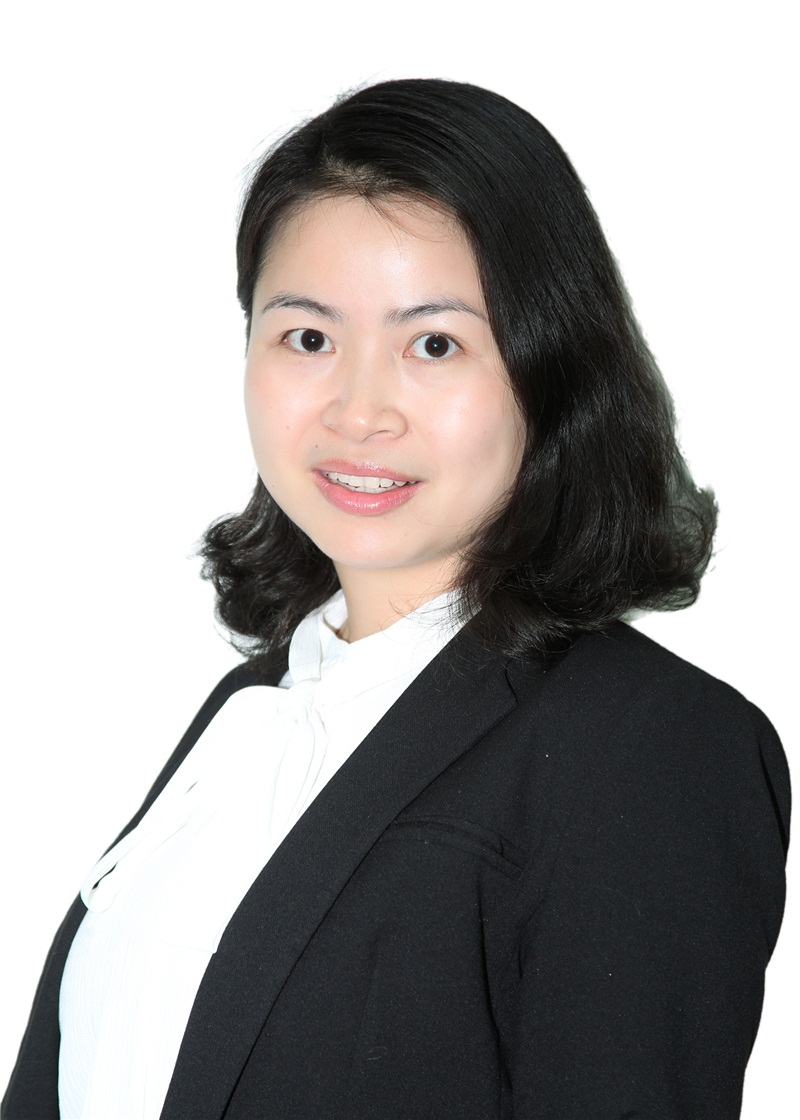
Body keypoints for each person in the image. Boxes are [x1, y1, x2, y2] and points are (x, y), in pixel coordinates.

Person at [3, 78, 790, 1120]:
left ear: (552, 369)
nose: (359, 411)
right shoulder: (257, 712)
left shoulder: (648, 747)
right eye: (308, 338)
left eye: (434, 344)